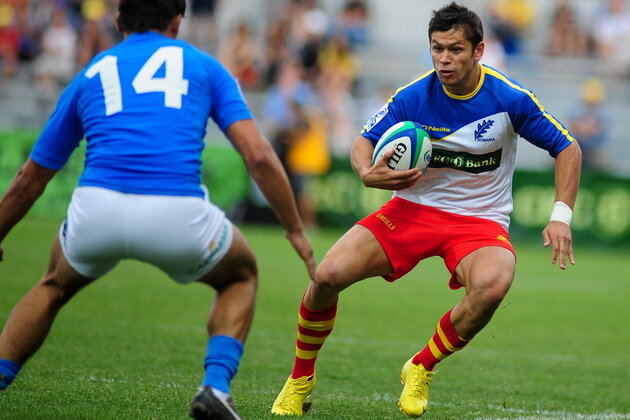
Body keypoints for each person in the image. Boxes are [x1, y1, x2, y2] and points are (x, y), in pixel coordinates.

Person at [0, 1, 315, 420]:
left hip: (98, 208)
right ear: (178, 21)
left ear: (118, 20)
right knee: (240, 275)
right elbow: (258, 156)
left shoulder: (91, 72)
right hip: (176, 214)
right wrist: (294, 229)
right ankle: (216, 387)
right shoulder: (205, 67)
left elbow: (30, 178)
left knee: (53, 284)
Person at [271, 2, 581, 418]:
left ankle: (421, 366)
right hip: (412, 209)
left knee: (492, 286)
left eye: (455, 49)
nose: (444, 59)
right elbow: (364, 141)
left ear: (479, 51)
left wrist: (560, 216)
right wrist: (365, 172)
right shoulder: (413, 95)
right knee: (327, 275)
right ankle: (300, 378)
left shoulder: (510, 98)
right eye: (437, 48)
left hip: (479, 220)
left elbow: (567, 147)